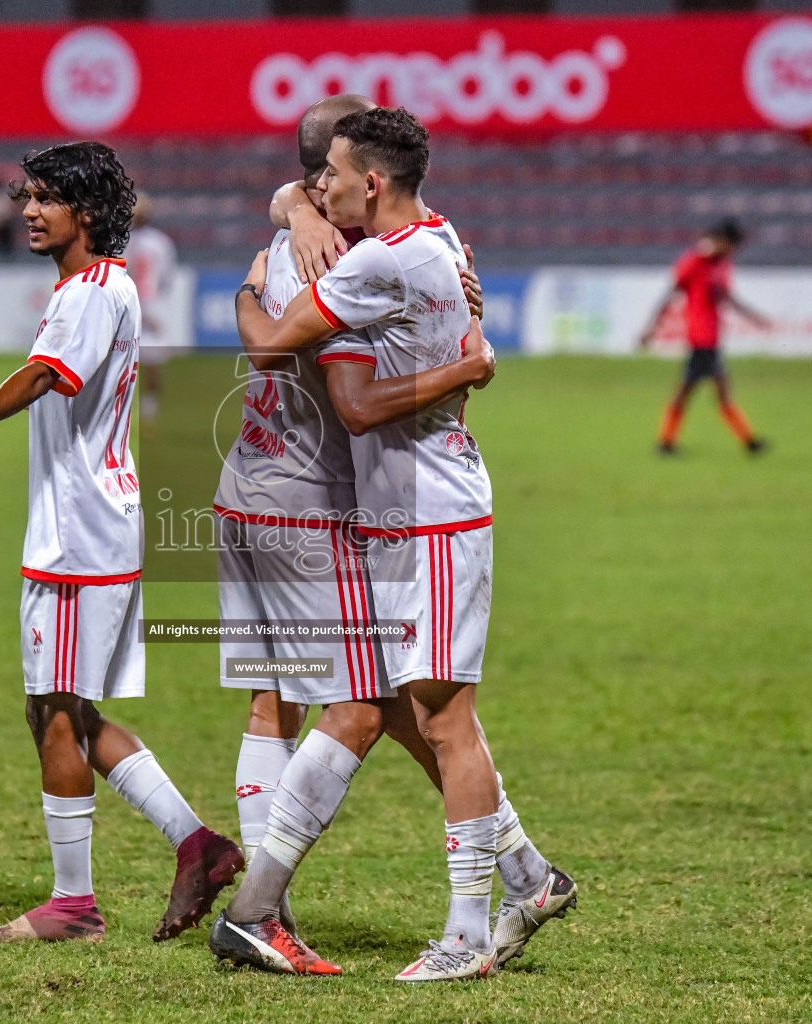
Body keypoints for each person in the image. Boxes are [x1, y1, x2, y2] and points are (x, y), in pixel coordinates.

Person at [208, 107, 576, 983]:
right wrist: (468, 360)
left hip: (368, 509)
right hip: (352, 509)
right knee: (398, 709)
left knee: (399, 711)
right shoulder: (431, 239)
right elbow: (298, 204)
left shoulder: (364, 260)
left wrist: (249, 285)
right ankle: (512, 885)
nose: (316, 189)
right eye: (316, 178)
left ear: (365, 181)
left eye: (327, 178)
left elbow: (340, 391)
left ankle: (458, 924)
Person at [0, 142, 243, 945]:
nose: (27, 210)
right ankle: (198, 843)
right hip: (95, 524)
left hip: (80, 534)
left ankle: (74, 905)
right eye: (27, 195)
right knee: (62, 707)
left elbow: (49, 374)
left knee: (56, 711)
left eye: (45, 197)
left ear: (85, 211)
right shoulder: (105, 284)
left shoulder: (90, 293)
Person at [639, 219, 771, 455]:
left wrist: (754, 317)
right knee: (715, 391)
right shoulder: (693, 263)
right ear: (720, 241)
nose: (732, 252)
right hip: (700, 339)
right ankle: (749, 442)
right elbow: (670, 294)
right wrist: (652, 327)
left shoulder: (721, 266)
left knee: (692, 392)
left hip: (710, 338)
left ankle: (667, 442)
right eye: (731, 246)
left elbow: (727, 297)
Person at [124, 194, 177, 422]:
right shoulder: (161, 241)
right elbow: (167, 275)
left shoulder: (122, 240)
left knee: (120, 356)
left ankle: (125, 409)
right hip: (152, 303)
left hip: (128, 303)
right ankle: (149, 409)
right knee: (151, 361)